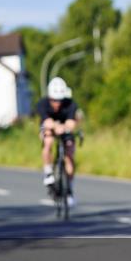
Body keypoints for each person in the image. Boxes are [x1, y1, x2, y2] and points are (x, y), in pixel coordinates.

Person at [36, 76, 79, 207]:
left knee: (70, 151)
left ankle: (69, 189)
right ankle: (48, 171)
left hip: (64, 128)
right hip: (47, 127)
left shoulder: (71, 104)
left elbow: (72, 123)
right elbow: (46, 122)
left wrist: (65, 128)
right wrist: (56, 126)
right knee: (48, 140)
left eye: (60, 100)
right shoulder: (43, 103)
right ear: (50, 98)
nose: (57, 103)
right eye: (54, 100)